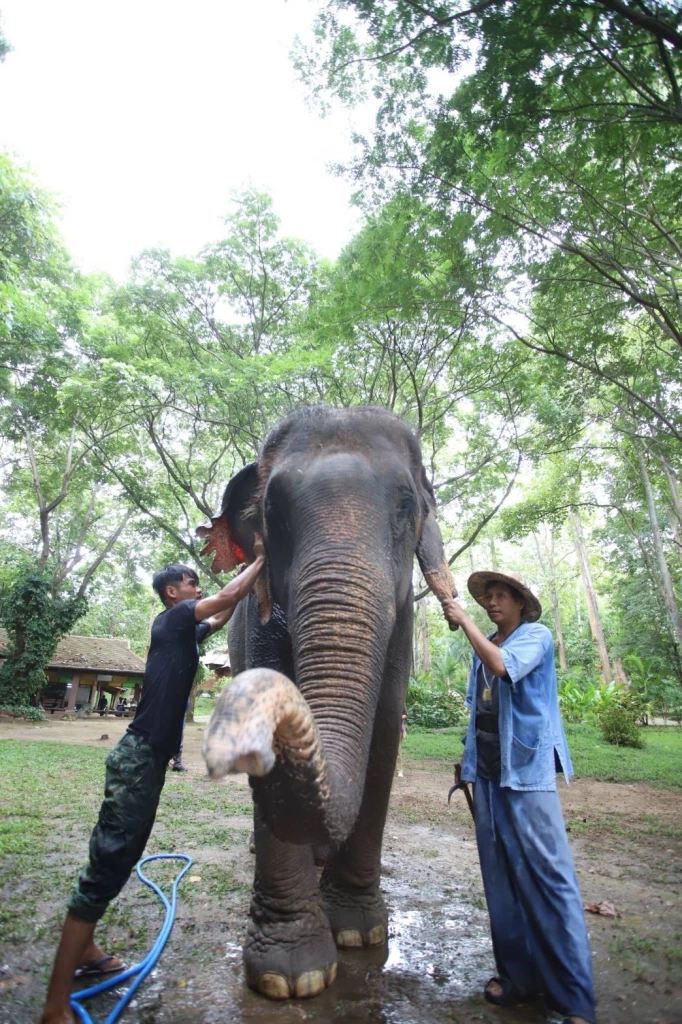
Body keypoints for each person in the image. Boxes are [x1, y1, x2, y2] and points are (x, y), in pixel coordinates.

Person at [39, 543, 265, 1024]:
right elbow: (224, 598)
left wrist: (248, 580)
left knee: (119, 858)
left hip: (149, 761)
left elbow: (220, 616)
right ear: (172, 592)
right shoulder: (171, 620)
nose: (197, 588)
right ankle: (55, 1005)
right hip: (138, 759)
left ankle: (86, 950)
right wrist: (261, 560)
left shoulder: (185, 630)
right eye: (191, 583)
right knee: (106, 868)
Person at [441, 571, 595, 1024]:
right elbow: (481, 706)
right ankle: (519, 978)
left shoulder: (536, 637)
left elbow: (503, 668)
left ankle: (574, 1000)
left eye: (500, 595)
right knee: (501, 881)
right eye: (487, 597)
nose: (492, 602)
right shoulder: (486, 641)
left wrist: (465, 622)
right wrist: (467, 757)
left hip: (527, 773)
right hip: (488, 775)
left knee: (550, 880)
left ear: (521, 603)